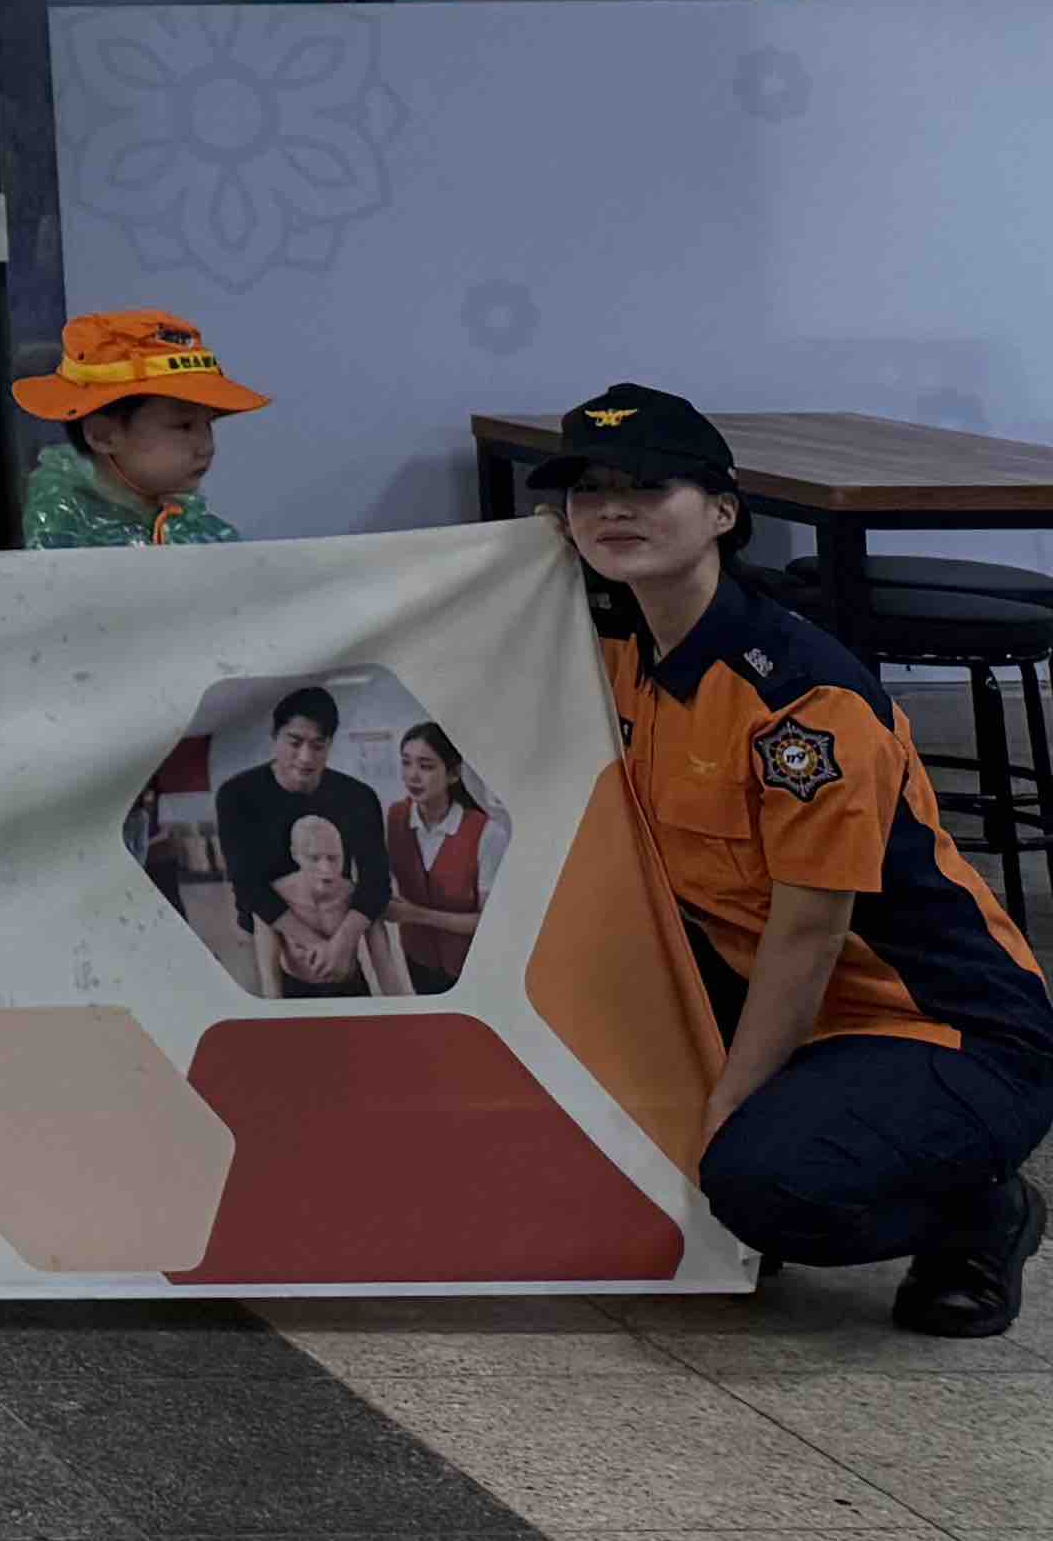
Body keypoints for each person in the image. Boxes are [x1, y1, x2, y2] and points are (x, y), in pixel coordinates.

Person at [543, 381, 1053, 1330]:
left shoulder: (802, 701)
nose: (614, 509)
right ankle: (801, 1129)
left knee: (759, 1183)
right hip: (766, 992)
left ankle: (982, 1212)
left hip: (938, 1026)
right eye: (589, 490)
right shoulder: (621, 649)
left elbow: (809, 934)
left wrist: (727, 1108)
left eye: (648, 486)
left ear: (723, 512)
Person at [18, 307, 264, 548]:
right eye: (184, 426)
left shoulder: (196, 527)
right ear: (102, 435)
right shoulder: (63, 532)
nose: (207, 447)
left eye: (208, 423)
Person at [207, 687, 391, 948]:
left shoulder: (358, 797)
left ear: (330, 743)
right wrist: (315, 945)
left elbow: (376, 884)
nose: (306, 758)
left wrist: (338, 946)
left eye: (318, 745)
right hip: (263, 934)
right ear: (275, 736)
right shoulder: (237, 794)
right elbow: (248, 886)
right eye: (294, 743)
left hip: (334, 934)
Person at [390, 720, 507, 997]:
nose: (412, 775)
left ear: (453, 774)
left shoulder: (488, 832)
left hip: (473, 967)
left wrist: (415, 915)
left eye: (426, 766)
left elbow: (489, 923)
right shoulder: (394, 817)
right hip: (417, 959)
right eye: (406, 763)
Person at [258, 814, 407, 999]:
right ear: (295, 855)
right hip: (297, 991)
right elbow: (269, 979)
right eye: (314, 858)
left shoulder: (359, 897)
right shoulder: (274, 898)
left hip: (351, 989)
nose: (326, 869)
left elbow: (385, 967)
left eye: (334, 858)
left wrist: (400, 1009)